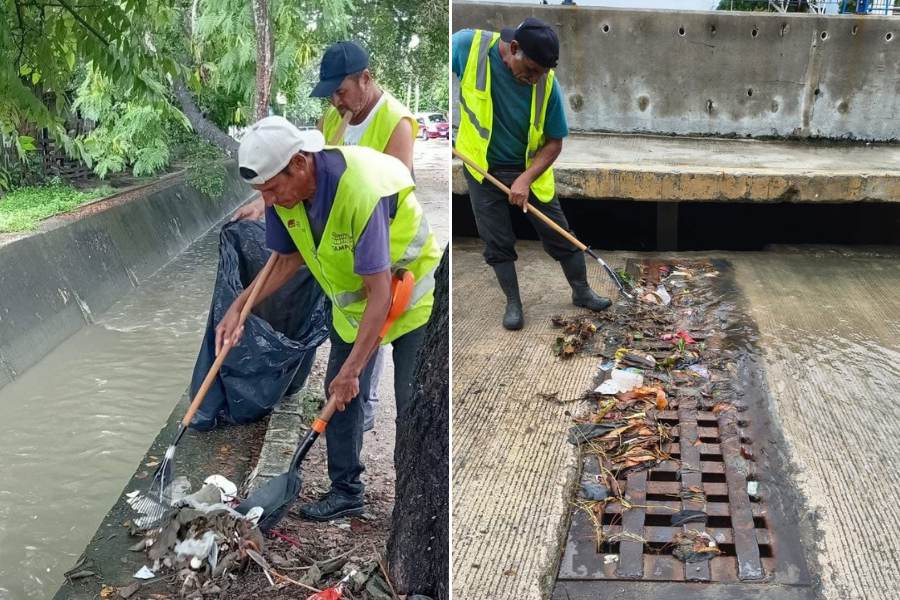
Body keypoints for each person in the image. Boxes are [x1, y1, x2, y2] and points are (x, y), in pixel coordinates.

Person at [221, 116, 441, 521]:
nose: (267, 201)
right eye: (260, 192)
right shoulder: (286, 195)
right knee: (337, 397)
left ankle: (414, 505)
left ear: (300, 163)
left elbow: (380, 294)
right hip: (355, 309)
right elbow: (287, 260)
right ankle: (346, 492)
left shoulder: (359, 193)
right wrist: (240, 306)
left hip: (408, 298)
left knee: (412, 404)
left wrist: (354, 369)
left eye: (271, 189)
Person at [231, 41, 419, 431]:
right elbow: (297, 188)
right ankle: (348, 453)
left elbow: (389, 202)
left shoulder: (394, 122)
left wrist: (352, 370)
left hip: (387, 261)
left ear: (365, 79)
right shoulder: (332, 123)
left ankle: (363, 402)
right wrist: (241, 305)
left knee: (372, 365)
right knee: (345, 366)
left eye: (342, 90)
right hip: (342, 258)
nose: (336, 100)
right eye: (330, 93)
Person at [452, 18, 610, 331]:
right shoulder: (466, 47)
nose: (536, 79)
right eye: (533, 71)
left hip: (528, 169)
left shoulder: (547, 86)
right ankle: (513, 303)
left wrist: (525, 179)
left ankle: (582, 291)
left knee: (559, 232)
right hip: (482, 169)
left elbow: (554, 143)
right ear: (513, 49)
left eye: (543, 73)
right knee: (496, 240)